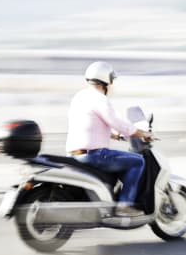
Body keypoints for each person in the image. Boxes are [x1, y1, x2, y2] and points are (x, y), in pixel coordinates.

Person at [65, 61, 153, 217]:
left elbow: (90, 123)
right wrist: (142, 133)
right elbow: (117, 122)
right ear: (106, 80)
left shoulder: (79, 97)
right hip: (94, 155)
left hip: (73, 154)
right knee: (137, 161)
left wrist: (114, 135)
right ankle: (124, 205)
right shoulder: (99, 98)